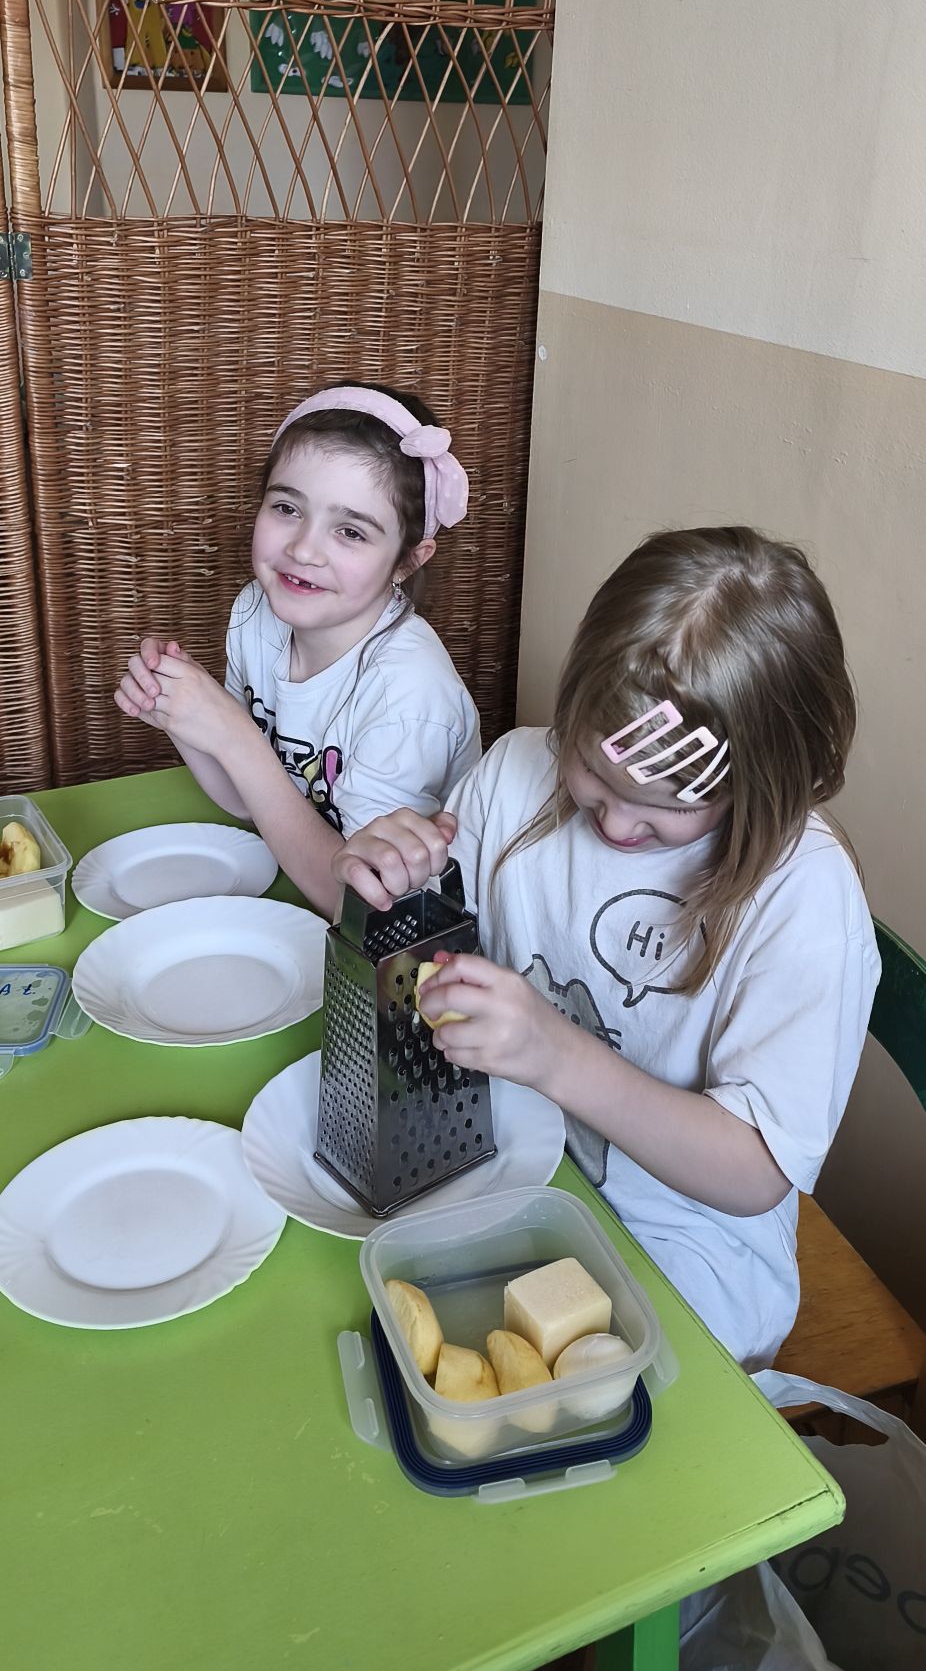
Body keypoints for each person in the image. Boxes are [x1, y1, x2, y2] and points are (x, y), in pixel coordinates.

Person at [331, 526, 880, 1369]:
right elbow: (431, 931)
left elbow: (756, 1169)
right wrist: (389, 877)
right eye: (594, 773)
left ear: (761, 779)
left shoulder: (803, 894)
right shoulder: (516, 775)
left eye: (666, 805)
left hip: (687, 1258)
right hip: (506, 1181)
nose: (618, 823)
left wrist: (557, 1055)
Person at [114, 384, 480, 920]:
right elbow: (249, 803)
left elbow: (363, 904)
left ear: (407, 561)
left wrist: (232, 733)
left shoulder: (409, 697)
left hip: (396, 934)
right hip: (293, 887)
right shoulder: (256, 613)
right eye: (287, 507)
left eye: (350, 532)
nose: (304, 549)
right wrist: (179, 712)